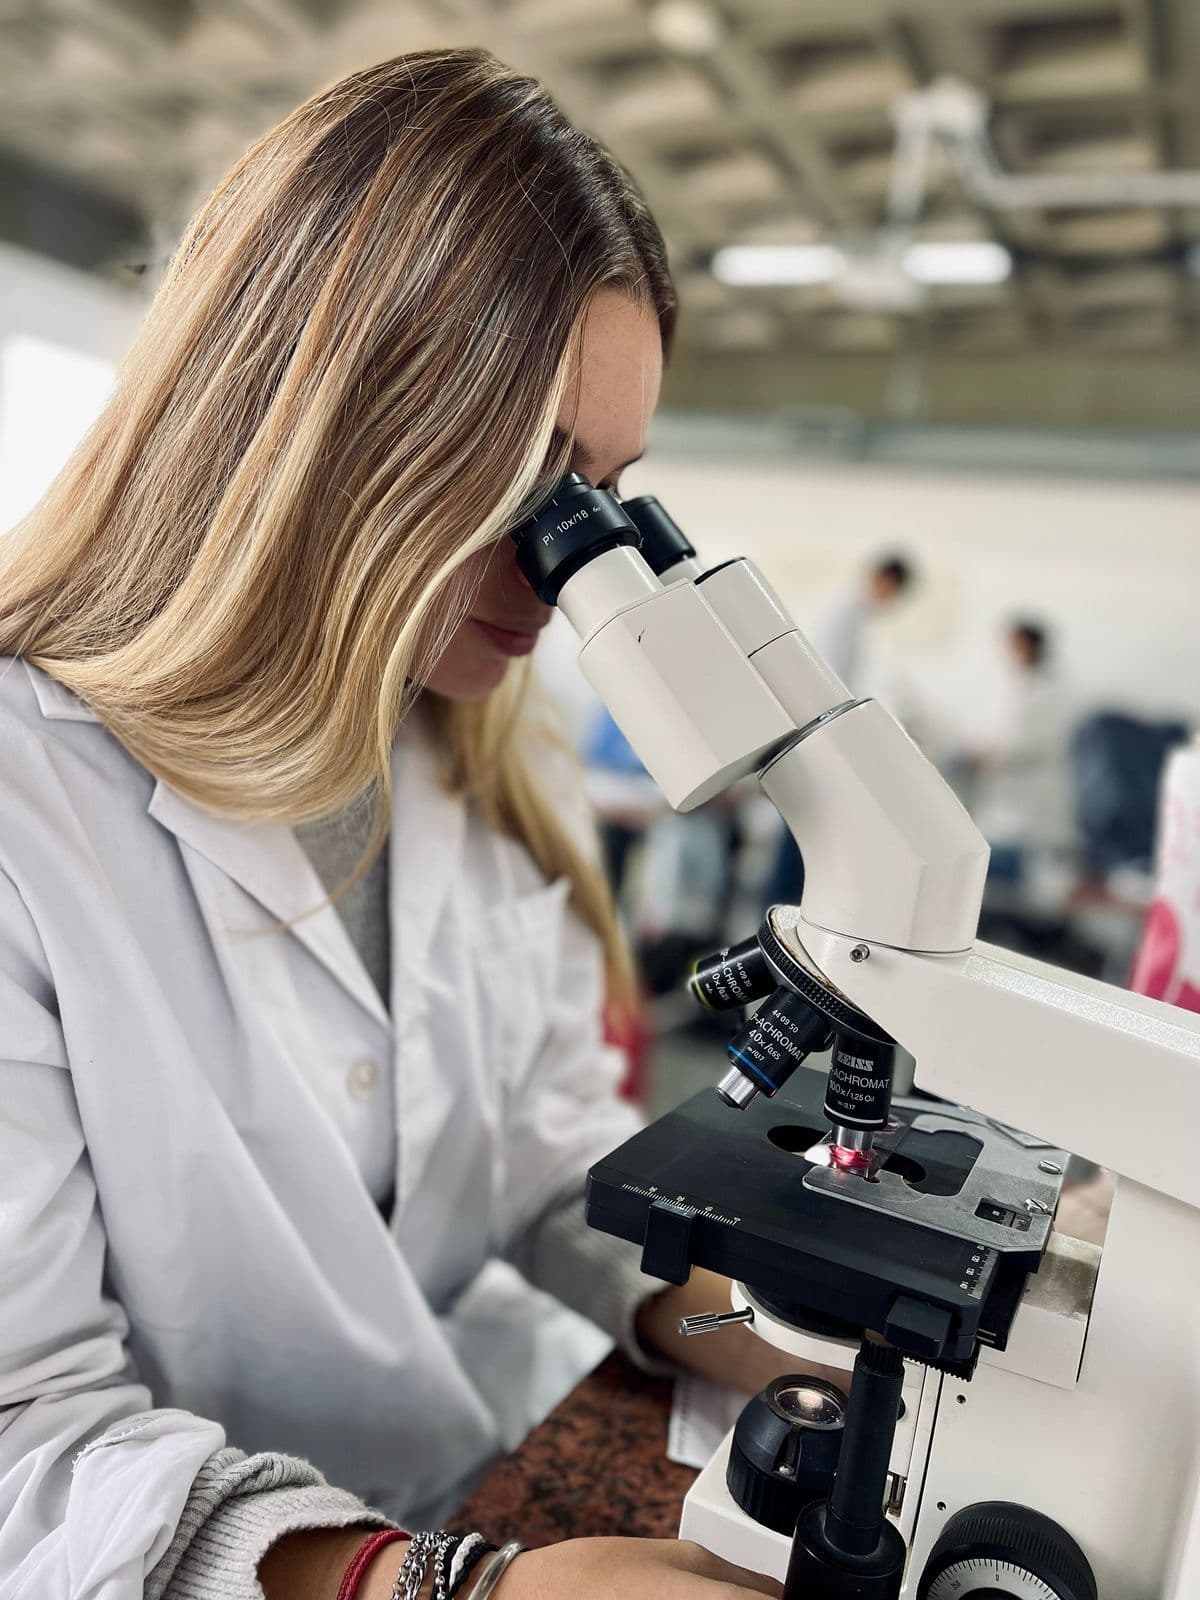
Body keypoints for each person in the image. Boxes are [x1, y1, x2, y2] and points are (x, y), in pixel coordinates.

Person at [0, 49, 810, 1600]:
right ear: (320, 432)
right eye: (525, 483)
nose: (570, 574)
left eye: (608, 490)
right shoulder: (26, 803)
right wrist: (431, 1588)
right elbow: (21, 1442)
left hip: (464, 1477)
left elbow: (546, 1157)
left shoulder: (488, 737)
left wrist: (756, 1335)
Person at [971, 619, 1075, 880]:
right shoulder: (1015, 683)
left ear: (1030, 646)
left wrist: (994, 754)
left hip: (1034, 793)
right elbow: (1000, 728)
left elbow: (1034, 741)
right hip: (1008, 790)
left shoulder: (1052, 690)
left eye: (1014, 645)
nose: (1008, 651)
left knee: (1027, 864)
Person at [805, 552, 915, 692]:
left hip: (830, 689)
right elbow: (829, 659)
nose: (890, 600)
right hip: (823, 689)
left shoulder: (859, 610)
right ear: (886, 581)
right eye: (892, 593)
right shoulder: (847, 606)